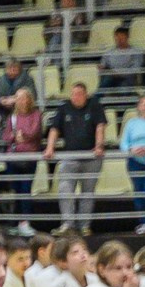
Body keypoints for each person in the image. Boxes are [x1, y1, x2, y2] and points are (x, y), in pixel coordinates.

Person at [45, 82, 106, 232]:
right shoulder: (63, 108)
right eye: (74, 94)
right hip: (69, 157)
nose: (76, 97)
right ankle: (68, 224)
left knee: (88, 192)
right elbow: (54, 129)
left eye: (80, 94)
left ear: (86, 95)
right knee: (65, 190)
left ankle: (84, 225)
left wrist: (99, 145)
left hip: (91, 158)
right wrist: (50, 147)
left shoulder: (95, 106)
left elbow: (100, 126)